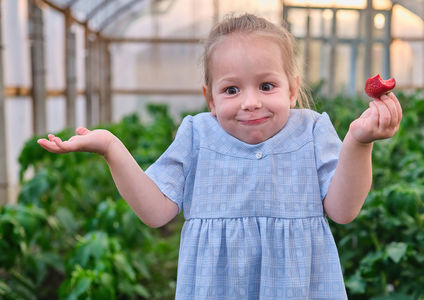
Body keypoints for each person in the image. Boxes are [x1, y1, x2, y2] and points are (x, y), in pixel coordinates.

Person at [38, 13, 402, 300]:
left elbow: (343, 209)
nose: (250, 101)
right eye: (231, 89)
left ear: (292, 90)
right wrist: (111, 148)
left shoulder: (311, 131)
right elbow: (156, 211)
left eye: (266, 85)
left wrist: (358, 142)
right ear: (210, 99)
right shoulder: (197, 135)